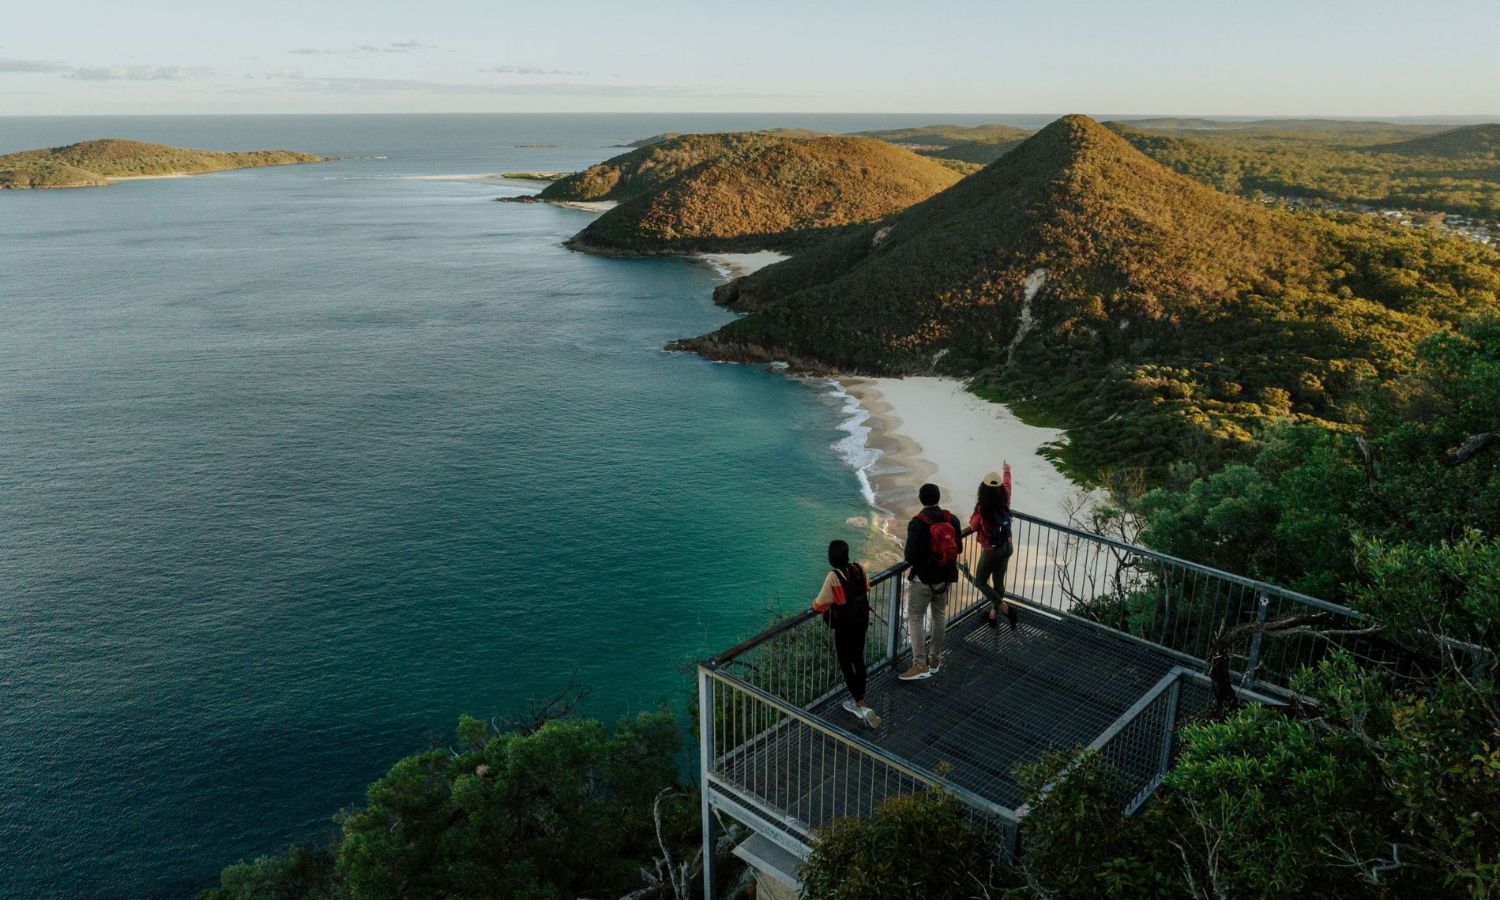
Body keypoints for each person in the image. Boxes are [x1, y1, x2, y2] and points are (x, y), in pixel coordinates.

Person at [812, 540, 881, 728]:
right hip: (862, 621)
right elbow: (866, 587)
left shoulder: (833, 576)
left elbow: (819, 604)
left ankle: (860, 705)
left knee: (845, 663)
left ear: (831, 558)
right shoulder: (859, 568)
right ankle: (861, 698)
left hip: (845, 626)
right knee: (858, 658)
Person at [900, 483, 963, 680]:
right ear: (938, 498)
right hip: (944, 578)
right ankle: (935, 660)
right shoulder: (951, 519)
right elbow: (958, 548)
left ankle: (920, 666)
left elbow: (909, 556)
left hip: (923, 580)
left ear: (921, 499)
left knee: (916, 617)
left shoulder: (917, 523)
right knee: (939, 616)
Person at [969, 463, 1018, 629]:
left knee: (980, 581)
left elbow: (973, 526)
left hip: (991, 551)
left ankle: (1004, 608)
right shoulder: (1005, 499)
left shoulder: (982, 508)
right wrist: (1006, 470)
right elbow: (1007, 485)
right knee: (998, 583)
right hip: (1007, 546)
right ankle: (993, 613)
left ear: (983, 488)